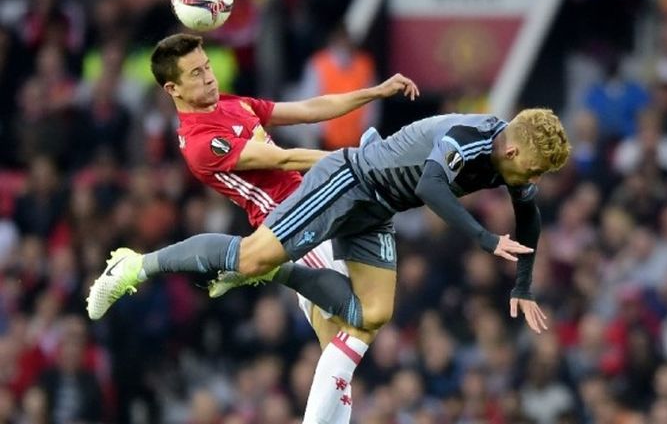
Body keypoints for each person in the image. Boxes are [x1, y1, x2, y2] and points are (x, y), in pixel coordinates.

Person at [89, 108, 569, 420]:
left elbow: (529, 215)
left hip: (377, 209)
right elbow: (430, 187)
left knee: (371, 316)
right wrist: (486, 239)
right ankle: (137, 265)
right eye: (534, 168)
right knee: (253, 254)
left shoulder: (513, 156)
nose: (534, 178)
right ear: (512, 150)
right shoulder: (467, 139)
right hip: (348, 182)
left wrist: (522, 286)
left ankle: (282, 274)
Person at [88, 32, 420, 424]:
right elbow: (282, 160)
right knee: (358, 326)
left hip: (320, 209)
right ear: (172, 88)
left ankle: (259, 269)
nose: (209, 78)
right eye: (196, 74)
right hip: (291, 223)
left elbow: (311, 107)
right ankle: (237, 266)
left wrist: (374, 93)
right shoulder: (200, 142)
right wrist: (357, 162)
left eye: (208, 67)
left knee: (343, 347)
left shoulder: (232, 103)